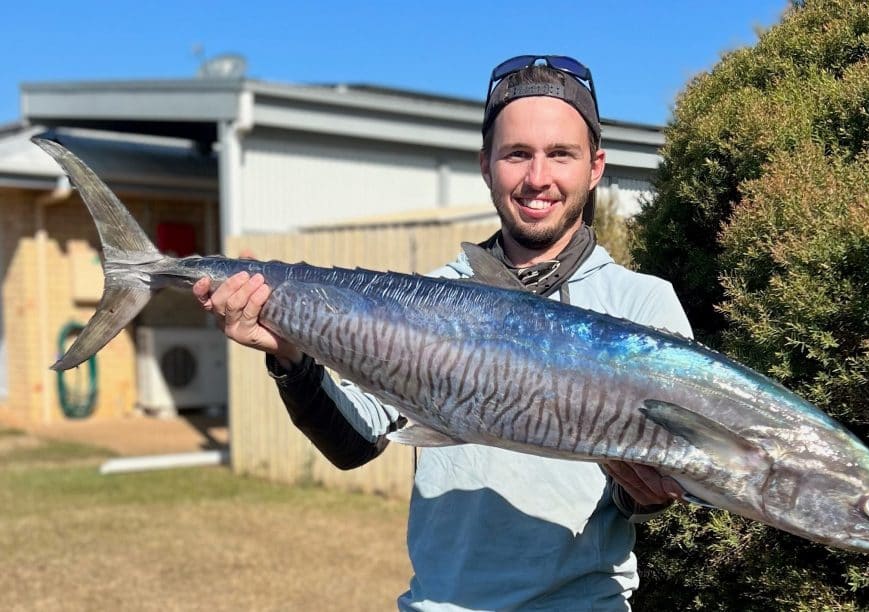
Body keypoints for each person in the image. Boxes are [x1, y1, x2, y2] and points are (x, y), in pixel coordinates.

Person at [193, 55, 693, 611]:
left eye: (561, 154)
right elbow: (354, 443)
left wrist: (647, 494)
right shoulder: (429, 300)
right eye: (517, 154)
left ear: (595, 167)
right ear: (486, 165)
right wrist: (290, 357)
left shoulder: (643, 306)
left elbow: (650, 484)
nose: (538, 177)